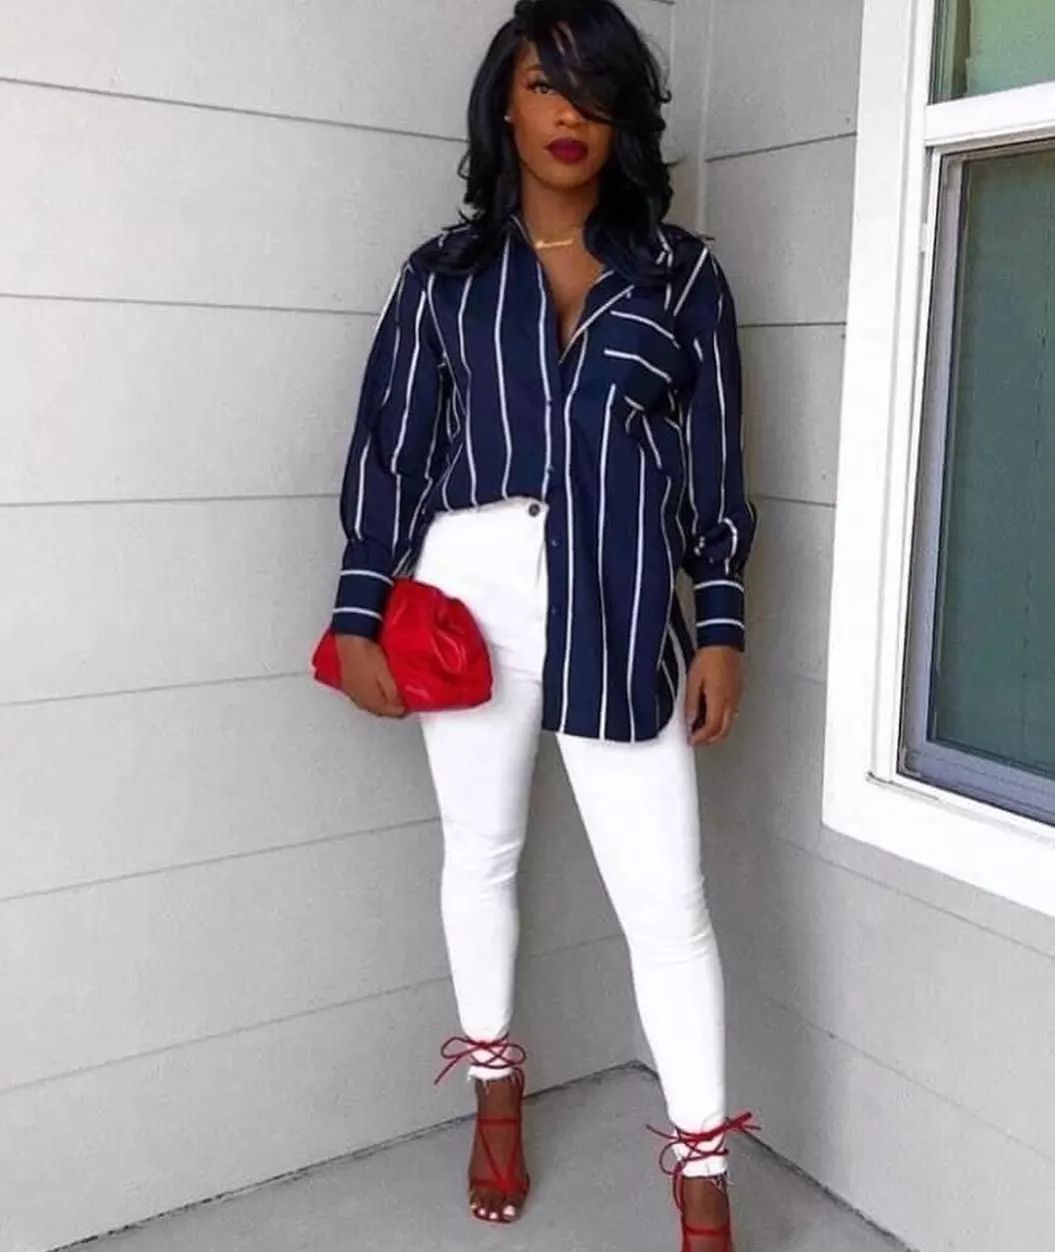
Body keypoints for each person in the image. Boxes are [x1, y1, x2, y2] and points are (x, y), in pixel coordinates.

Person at [327, 2, 760, 1248]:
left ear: (622, 114)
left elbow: (713, 472)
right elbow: (393, 451)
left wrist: (717, 624)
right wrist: (360, 611)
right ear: (503, 107)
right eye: (540, 85)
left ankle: (701, 1179)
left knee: (667, 901)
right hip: (467, 594)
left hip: (621, 598)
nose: (567, 113)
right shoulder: (441, 278)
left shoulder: (681, 277)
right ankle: (494, 1097)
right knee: (481, 855)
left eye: (591, 89)